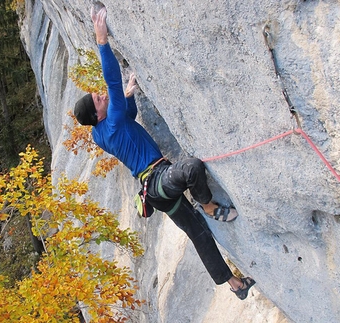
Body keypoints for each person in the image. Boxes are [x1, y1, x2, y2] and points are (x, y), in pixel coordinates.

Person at [73, 5, 255, 300]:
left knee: (198, 234)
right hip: (158, 180)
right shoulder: (112, 120)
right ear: (98, 114)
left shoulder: (99, 133)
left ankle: (235, 284)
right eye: (98, 99)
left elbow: (125, 114)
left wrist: (128, 96)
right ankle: (208, 206)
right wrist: (101, 40)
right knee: (192, 168)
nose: (102, 94)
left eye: (99, 93)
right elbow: (113, 82)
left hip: (154, 193)